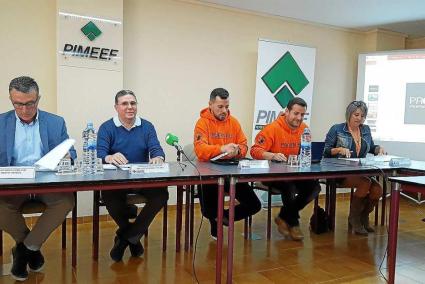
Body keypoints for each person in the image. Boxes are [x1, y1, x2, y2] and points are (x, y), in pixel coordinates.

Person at [0, 76, 76, 281]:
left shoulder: (55, 122)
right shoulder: (1, 122)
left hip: (46, 179)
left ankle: (24, 250)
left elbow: (71, 151)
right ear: (11, 100)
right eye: (18, 104)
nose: (24, 110)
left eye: (30, 103)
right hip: (12, 181)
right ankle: (29, 246)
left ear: (38, 99)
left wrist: (68, 156)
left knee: (66, 201)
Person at [97, 89, 169, 262]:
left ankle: (125, 238)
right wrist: (109, 157)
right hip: (117, 179)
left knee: (161, 194)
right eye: (124, 103)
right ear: (116, 107)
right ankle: (132, 237)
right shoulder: (107, 127)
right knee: (109, 196)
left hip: (141, 177)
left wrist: (158, 157)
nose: (130, 107)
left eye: (133, 103)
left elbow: (156, 148)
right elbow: (99, 153)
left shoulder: (147, 126)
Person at [193, 87, 261, 239]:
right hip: (209, 172)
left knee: (255, 205)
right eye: (220, 107)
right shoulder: (202, 123)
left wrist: (237, 151)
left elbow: (244, 146)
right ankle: (215, 218)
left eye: (227, 106)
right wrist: (221, 148)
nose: (224, 110)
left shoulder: (234, 122)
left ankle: (221, 218)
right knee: (208, 211)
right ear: (210, 105)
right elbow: (200, 150)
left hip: (232, 171)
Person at [251, 97, 320, 241]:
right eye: (296, 114)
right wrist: (272, 155)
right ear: (287, 111)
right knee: (289, 186)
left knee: (314, 187)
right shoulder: (272, 128)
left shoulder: (304, 129)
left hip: (295, 172)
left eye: (302, 115)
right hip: (271, 175)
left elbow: (305, 153)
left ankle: (283, 216)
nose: (299, 118)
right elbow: (255, 151)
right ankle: (293, 223)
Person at [323, 100, 384, 235]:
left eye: (362, 116)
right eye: (356, 115)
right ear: (349, 114)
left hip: (359, 171)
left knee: (377, 190)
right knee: (365, 183)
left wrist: (378, 149)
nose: (359, 118)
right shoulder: (337, 129)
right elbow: (326, 151)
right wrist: (338, 149)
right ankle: (354, 218)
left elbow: (372, 147)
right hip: (339, 171)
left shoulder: (366, 129)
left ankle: (363, 215)